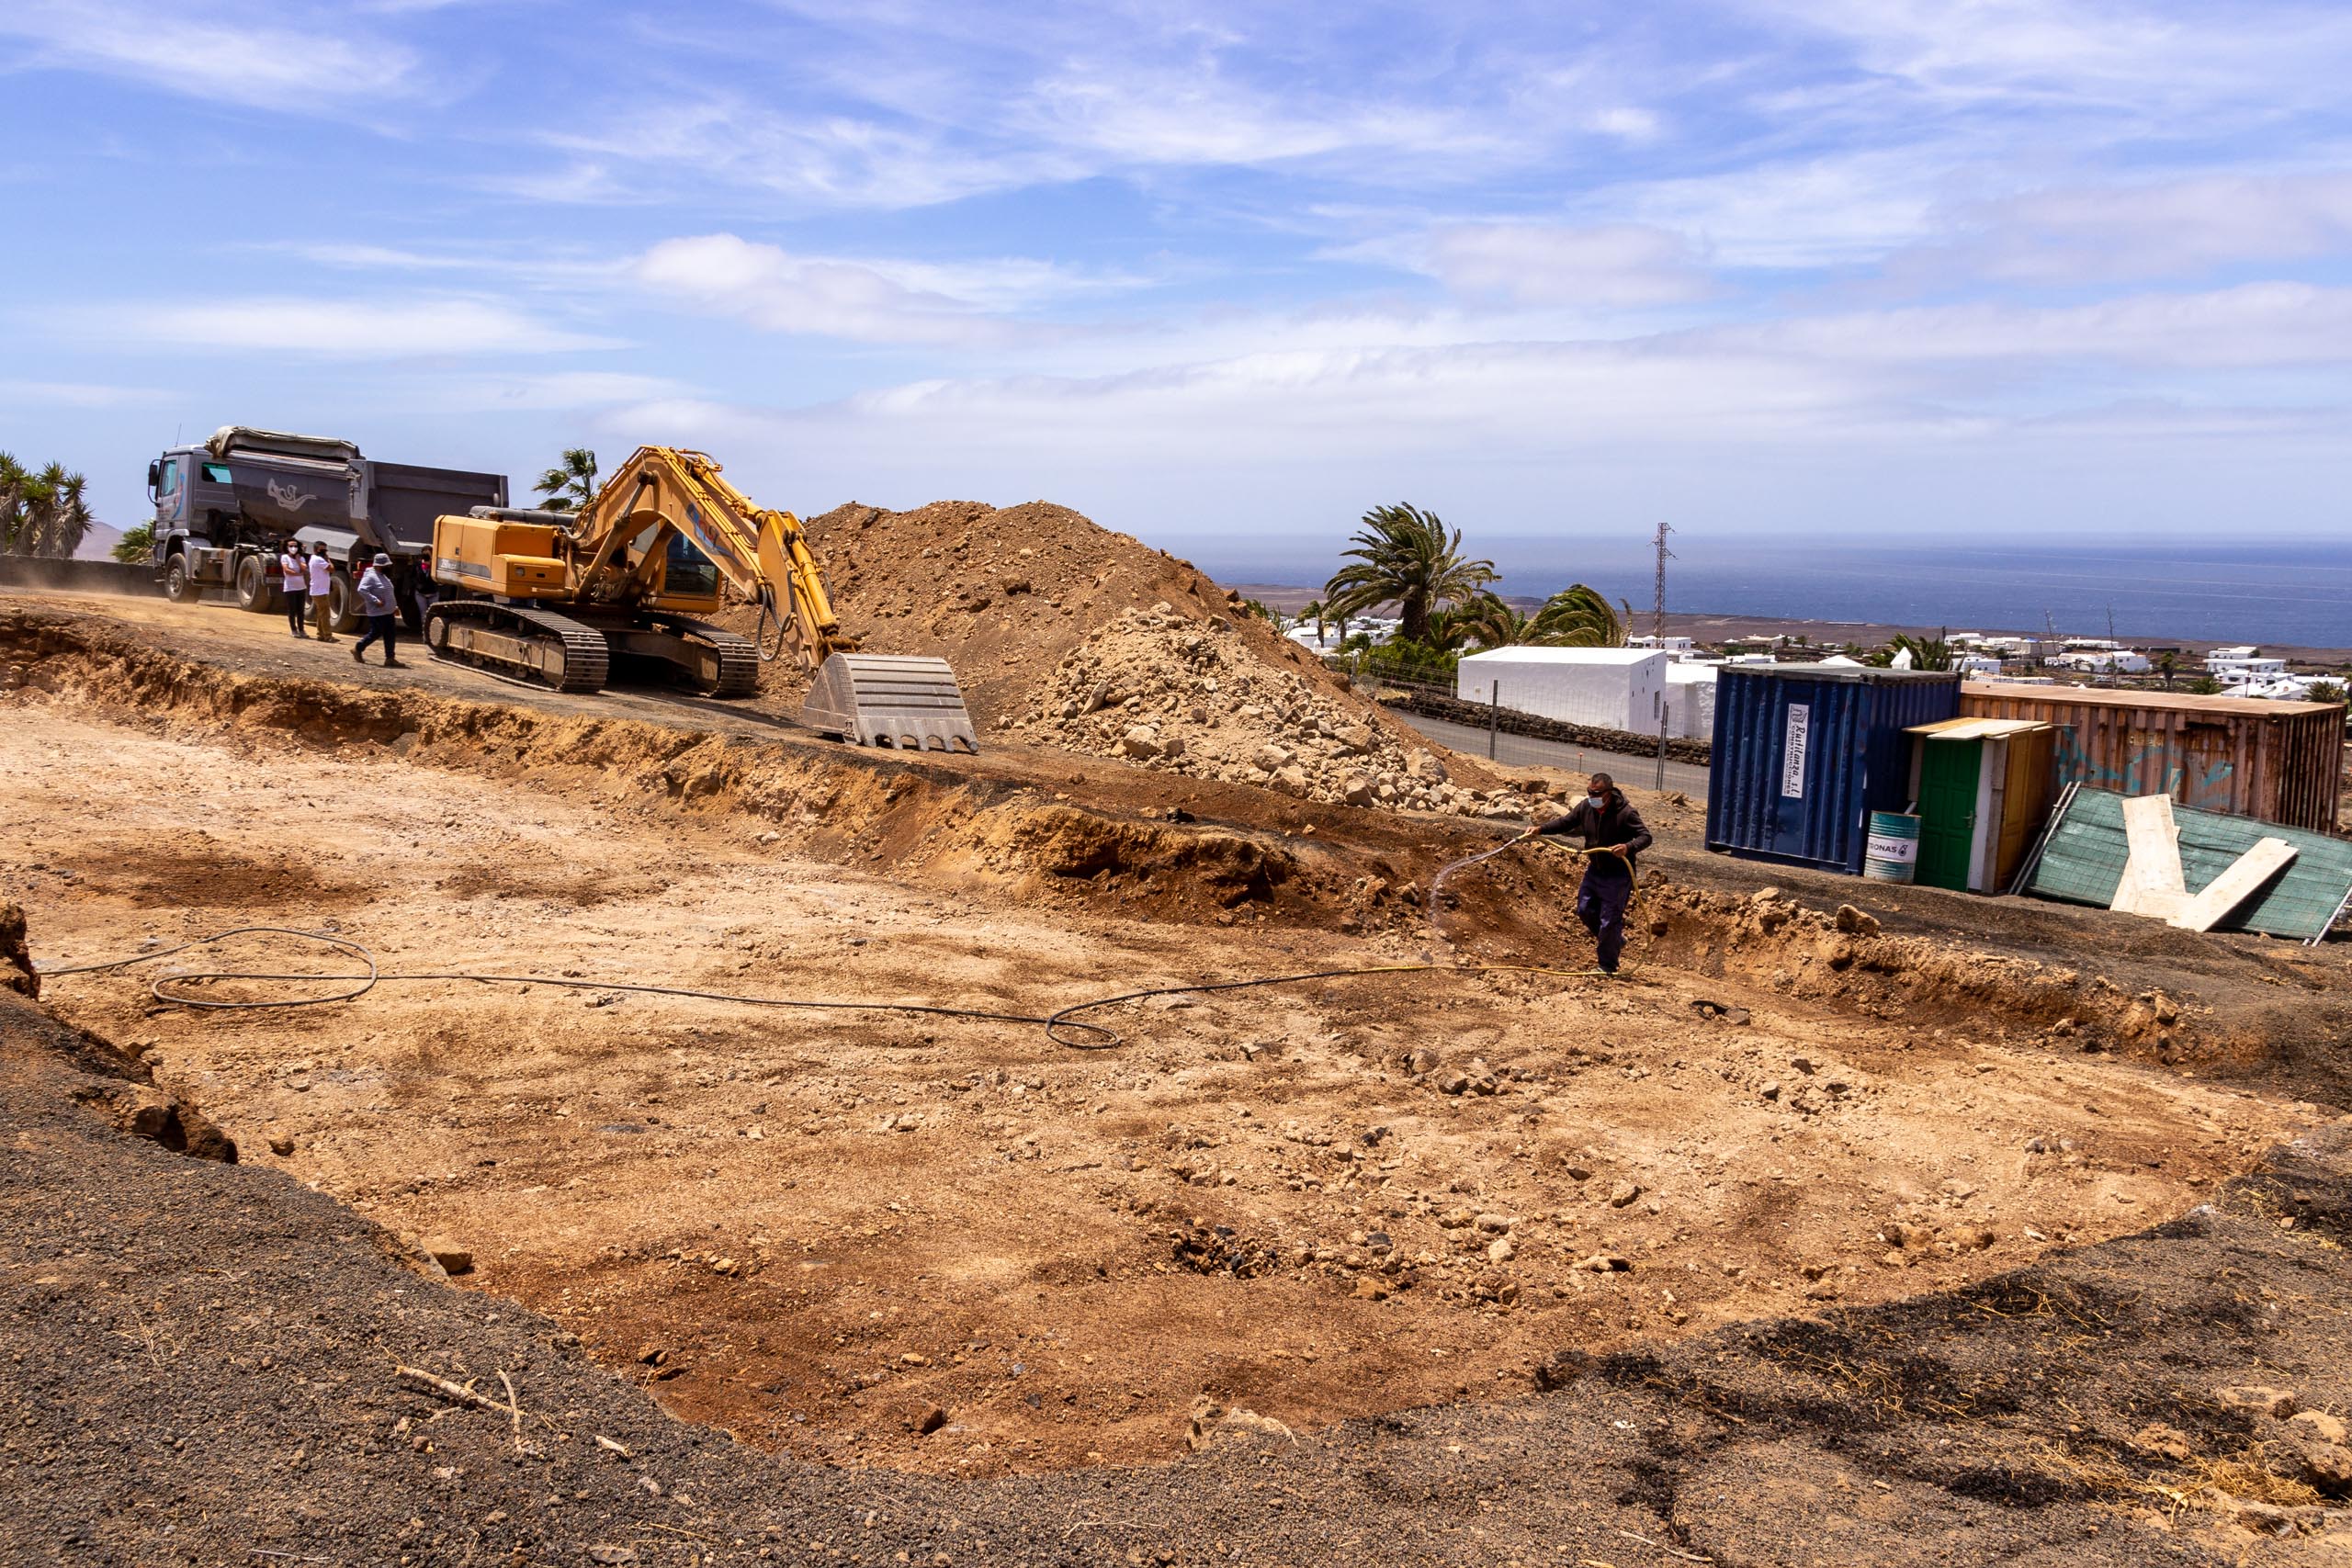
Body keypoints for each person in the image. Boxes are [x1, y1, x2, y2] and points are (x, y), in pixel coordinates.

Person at [1523, 772, 1653, 976]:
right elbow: (1565, 822)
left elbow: (1645, 836)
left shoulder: (1626, 813)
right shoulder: (1586, 807)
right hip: (1595, 871)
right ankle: (1615, 941)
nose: (1593, 796)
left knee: (1610, 920)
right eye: (1590, 792)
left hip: (1618, 876)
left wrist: (1628, 847)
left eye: (1597, 793)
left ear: (1609, 793)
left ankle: (1607, 966)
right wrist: (1540, 829)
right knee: (1584, 910)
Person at [351, 552, 404, 668]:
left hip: (388, 611)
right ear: (379, 565)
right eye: (387, 565)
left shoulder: (382, 575)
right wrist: (375, 600)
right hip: (377, 612)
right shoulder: (371, 576)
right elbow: (362, 590)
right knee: (376, 633)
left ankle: (390, 658)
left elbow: (388, 593)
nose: (389, 567)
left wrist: (394, 607)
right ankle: (358, 648)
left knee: (390, 635)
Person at [307, 544, 337, 643]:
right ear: (316, 550)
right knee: (325, 614)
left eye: (325, 550)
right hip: (320, 591)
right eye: (322, 550)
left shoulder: (313, 559)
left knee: (321, 613)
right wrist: (328, 559)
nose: (324, 552)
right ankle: (328, 636)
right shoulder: (319, 560)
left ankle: (320, 634)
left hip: (319, 590)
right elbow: (332, 569)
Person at [278, 542, 309, 637]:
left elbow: (304, 569)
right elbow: (286, 570)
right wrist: (298, 573)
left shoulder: (301, 558)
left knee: (301, 610)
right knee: (292, 610)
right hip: (290, 588)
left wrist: (298, 560)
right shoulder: (285, 557)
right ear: (287, 547)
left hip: (301, 587)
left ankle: (301, 629)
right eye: (291, 546)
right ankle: (293, 630)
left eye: (295, 546)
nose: (293, 548)